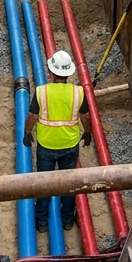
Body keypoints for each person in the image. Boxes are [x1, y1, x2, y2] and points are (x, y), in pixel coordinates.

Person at [22, 50, 92, 232]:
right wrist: (88, 133)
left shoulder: (42, 92)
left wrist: (27, 133)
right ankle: (67, 220)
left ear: (51, 72)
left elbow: (32, 115)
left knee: (45, 184)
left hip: (46, 146)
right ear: (69, 73)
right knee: (68, 185)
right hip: (69, 146)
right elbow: (85, 116)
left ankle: (41, 221)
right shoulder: (78, 92)